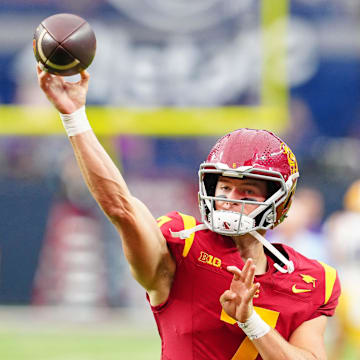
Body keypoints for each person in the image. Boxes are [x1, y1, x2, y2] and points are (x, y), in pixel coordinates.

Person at [36, 66, 341, 360]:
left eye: (247, 191)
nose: (230, 200)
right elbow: (122, 207)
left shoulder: (313, 279)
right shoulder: (181, 245)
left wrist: (251, 321)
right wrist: (75, 118)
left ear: (280, 201)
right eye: (223, 189)